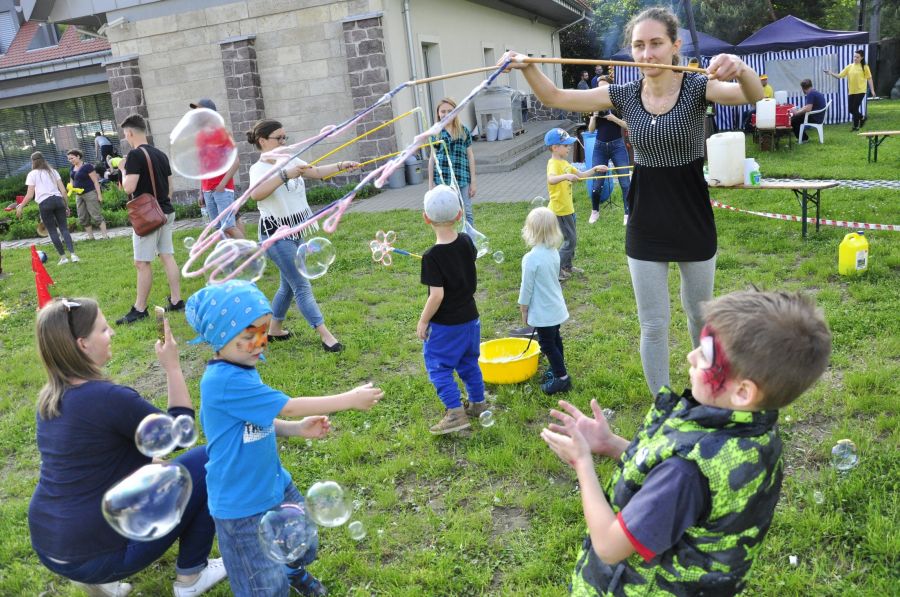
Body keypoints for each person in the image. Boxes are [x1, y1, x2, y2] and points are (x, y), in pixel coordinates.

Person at [503, 6, 764, 395]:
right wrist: (526, 67)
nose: (647, 54)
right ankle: (662, 403)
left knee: (699, 317)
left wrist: (740, 68)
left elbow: (751, 94)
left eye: (656, 44)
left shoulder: (696, 86)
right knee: (654, 324)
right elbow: (556, 94)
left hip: (692, 215)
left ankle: (708, 393)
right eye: (639, 46)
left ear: (675, 46)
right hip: (645, 217)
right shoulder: (623, 94)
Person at [540, 289, 832, 596]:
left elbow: (610, 546)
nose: (691, 356)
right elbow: (684, 486)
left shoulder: (686, 472)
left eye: (705, 355)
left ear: (743, 393)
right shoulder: (757, 432)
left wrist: (583, 463)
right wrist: (611, 443)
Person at [185, 280, 383, 596]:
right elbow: (289, 406)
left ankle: (292, 570)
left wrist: (295, 429)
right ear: (219, 337)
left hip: (274, 484)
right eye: (248, 336)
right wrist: (349, 399)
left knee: (301, 545)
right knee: (265, 588)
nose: (259, 344)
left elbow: (254, 422)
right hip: (242, 509)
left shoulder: (242, 366)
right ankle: (280, 579)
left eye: (264, 333)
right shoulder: (223, 381)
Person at [29, 298, 228, 597]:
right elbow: (180, 431)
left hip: (49, 544)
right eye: (104, 329)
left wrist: (150, 461)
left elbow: (98, 461)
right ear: (82, 344)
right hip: (97, 556)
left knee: (158, 469)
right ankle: (192, 575)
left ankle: (102, 581)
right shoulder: (107, 397)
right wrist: (172, 367)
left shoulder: (49, 399)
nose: (113, 334)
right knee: (211, 460)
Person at [247, 119, 356, 352]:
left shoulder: (290, 158)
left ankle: (274, 330)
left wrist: (342, 165)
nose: (284, 142)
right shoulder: (258, 169)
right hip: (274, 233)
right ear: (263, 141)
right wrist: (285, 175)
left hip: (297, 228)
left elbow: (315, 171)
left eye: (285, 137)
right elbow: (256, 194)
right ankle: (327, 337)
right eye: (279, 138)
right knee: (301, 284)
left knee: (287, 285)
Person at [417, 185, 487, 434]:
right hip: (471, 319)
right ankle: (479, 404)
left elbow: (437, 295)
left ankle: (456, 414)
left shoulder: (431, 256)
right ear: (459, 215)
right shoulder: (467, 241)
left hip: (446, 326)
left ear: (426, 218)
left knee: (440, 367)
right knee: (469, 362)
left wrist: (423, 321)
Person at [117, 114, 184, 325]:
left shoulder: (135, 156)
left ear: (129, 133)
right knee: (167, 255)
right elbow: (171, 188)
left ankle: (140, 308)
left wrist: (122, 170)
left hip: (148, 217)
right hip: (166, 211)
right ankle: (176, 300)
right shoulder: (161, 154)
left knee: (142, 263)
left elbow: (128, 188)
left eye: (125, 134)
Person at [518, 207, 572, 395]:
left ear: (530, 230)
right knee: (555, 339)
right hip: (555, 307)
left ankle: (562, 378)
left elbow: (527, 288)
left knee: (547, 344)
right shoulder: (553, 252)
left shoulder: (531, 258)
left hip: (543, 311)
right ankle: (557, 369)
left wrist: (523, 309)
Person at [544, 127, 606, 281]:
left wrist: (595, 169)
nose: (569, 147)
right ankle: (557, 270)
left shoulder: (564, 163)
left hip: (568, 209)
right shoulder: (553, 163)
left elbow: (582, 175)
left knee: (572, 238)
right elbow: (551, 179)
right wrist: (566, 176)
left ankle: (567, 266)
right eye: (566, 145)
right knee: (570, 240)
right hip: (559, 210)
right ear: (555, 147)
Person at [190, 98, 243, 239]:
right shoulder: (200, 136)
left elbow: (235, 162)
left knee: (229, 226)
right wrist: (201, 192)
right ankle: (228, 258)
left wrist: (222, 184)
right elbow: (203, 167)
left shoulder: (223, 134)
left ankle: (250, 254)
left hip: (222, 189)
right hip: (207, 191)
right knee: (219, 229)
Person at [16, 151, 79, 265]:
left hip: (45, 203)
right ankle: (73, 255)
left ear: (33, 162)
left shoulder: (32, 174)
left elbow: (30, 195)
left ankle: (63, 258)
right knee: (64, 229)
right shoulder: (53, 171)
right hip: (58, 200)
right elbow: (63, 191)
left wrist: (21, 206)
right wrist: (66, 206)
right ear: (44, 160)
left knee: (52, 231)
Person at [427, 98, 477, 227]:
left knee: (467, 212)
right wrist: (430, 185)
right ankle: (450, 240)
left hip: (462, 179)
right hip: (442, 181)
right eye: (443, 111)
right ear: (438, 113)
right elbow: (432, 159)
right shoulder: (435, 133)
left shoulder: (463, 131)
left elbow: (470, 156)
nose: (446, 114)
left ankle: (470, 241)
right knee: (445, 213)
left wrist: (473, 182)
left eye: (450, 110)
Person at [586, 85, 630, 225]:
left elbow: (627, 125)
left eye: (604, 86)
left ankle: (627, 213)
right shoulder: (596, 105)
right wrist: (594, 117)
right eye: (599, 87)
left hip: (617, 146)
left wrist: (613, 118)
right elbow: (591, 130)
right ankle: (595, 212)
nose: (601, 89)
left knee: (625, 182)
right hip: (600, 147)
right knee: (597, 183)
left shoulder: (618, 104)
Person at [824, 49, 876, 131]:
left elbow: (869, 79)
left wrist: (872, 91)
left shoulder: (865, 67)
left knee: (855, 108)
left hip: (861, 91)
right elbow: (840, 76)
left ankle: (855, 127)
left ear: (862, 58)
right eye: (854, 56)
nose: (855, 58)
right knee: (851, 110)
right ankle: (862, 118)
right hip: (851, 91)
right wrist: (830, 73)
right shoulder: (849, 67)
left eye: (857, 57)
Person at [66, 149, 108, 240]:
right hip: (78, 195)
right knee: (82, 216)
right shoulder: (72, 168)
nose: (70, 160)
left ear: (78, 156)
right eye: (69, 159)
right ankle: (91, 237)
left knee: (96, 214)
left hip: (90, 193)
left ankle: (105, 236)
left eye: (72, 158)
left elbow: (96, 182)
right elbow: (72, 180)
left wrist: (99, 195)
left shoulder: (87, 166)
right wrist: (70, 187)